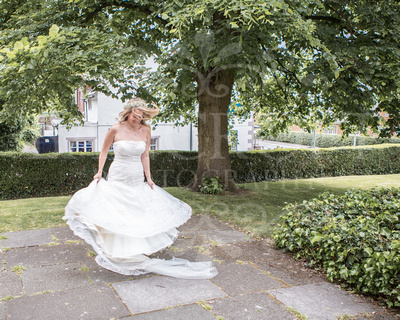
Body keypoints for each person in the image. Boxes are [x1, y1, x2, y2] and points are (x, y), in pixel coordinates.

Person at [63, 98, 217, 279]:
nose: (137, 120)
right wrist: (99, 172)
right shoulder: (115, 128)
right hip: (118, 173)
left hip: (136, 175)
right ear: (128, 113)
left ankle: (135, 247)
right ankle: (116, 247)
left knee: (135, 209)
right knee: (119, 208)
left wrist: (149, 177)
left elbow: (145, 155)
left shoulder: (146, 130)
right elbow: (104, 152)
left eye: (141, 117)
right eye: (135, 116)